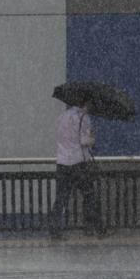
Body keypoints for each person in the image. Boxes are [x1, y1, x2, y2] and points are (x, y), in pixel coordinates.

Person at [50, 101, 105, 240]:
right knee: (89, 195)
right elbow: (84, 141)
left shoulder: (61, 117)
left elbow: (61, 139)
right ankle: (95, 228)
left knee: (61, 198)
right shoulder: (83, 118)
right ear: (85, 104)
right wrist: (92, 138)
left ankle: (54, 231)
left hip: (62, 162)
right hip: (78, 162)